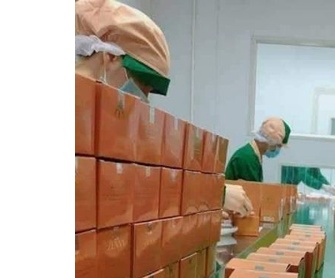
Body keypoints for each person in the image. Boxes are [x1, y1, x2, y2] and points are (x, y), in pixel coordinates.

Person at [75, 0, 253, 217]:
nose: (142, 101)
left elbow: (131, 184)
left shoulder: (98, 117)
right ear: (111, 57)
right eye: (143, 87)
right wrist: (215, 194)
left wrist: (205, 204)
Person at [225, 117, 291, 182]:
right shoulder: (248, 158)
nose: (278, 149)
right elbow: (253, 188)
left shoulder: (253, 155)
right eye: (278, 146)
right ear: (270, 142)